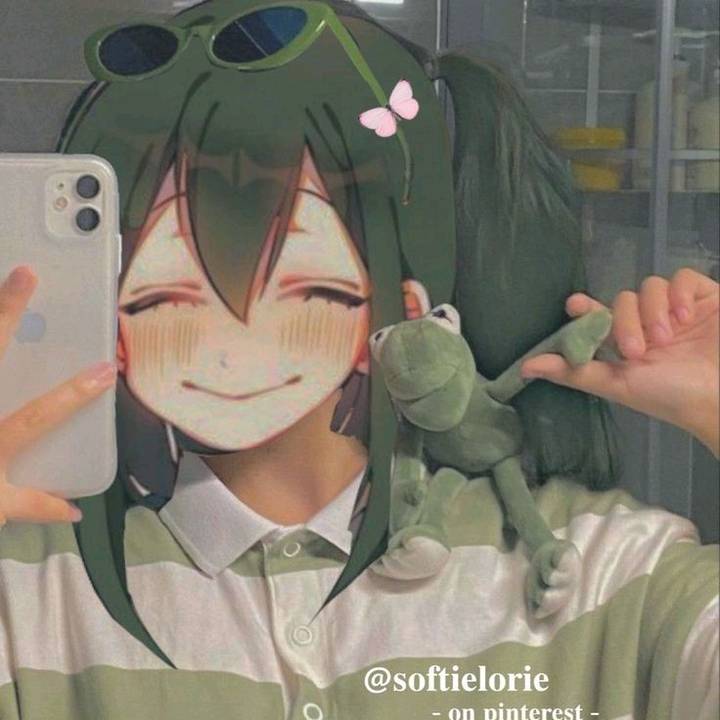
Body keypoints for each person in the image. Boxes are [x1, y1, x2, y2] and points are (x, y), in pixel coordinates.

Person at [0, 1, 717, 718]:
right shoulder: (30, 589)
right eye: (164, 300)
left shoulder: (601, 567)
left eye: (304, 290)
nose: (226, 349)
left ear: (403, 306)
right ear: (113, 319)